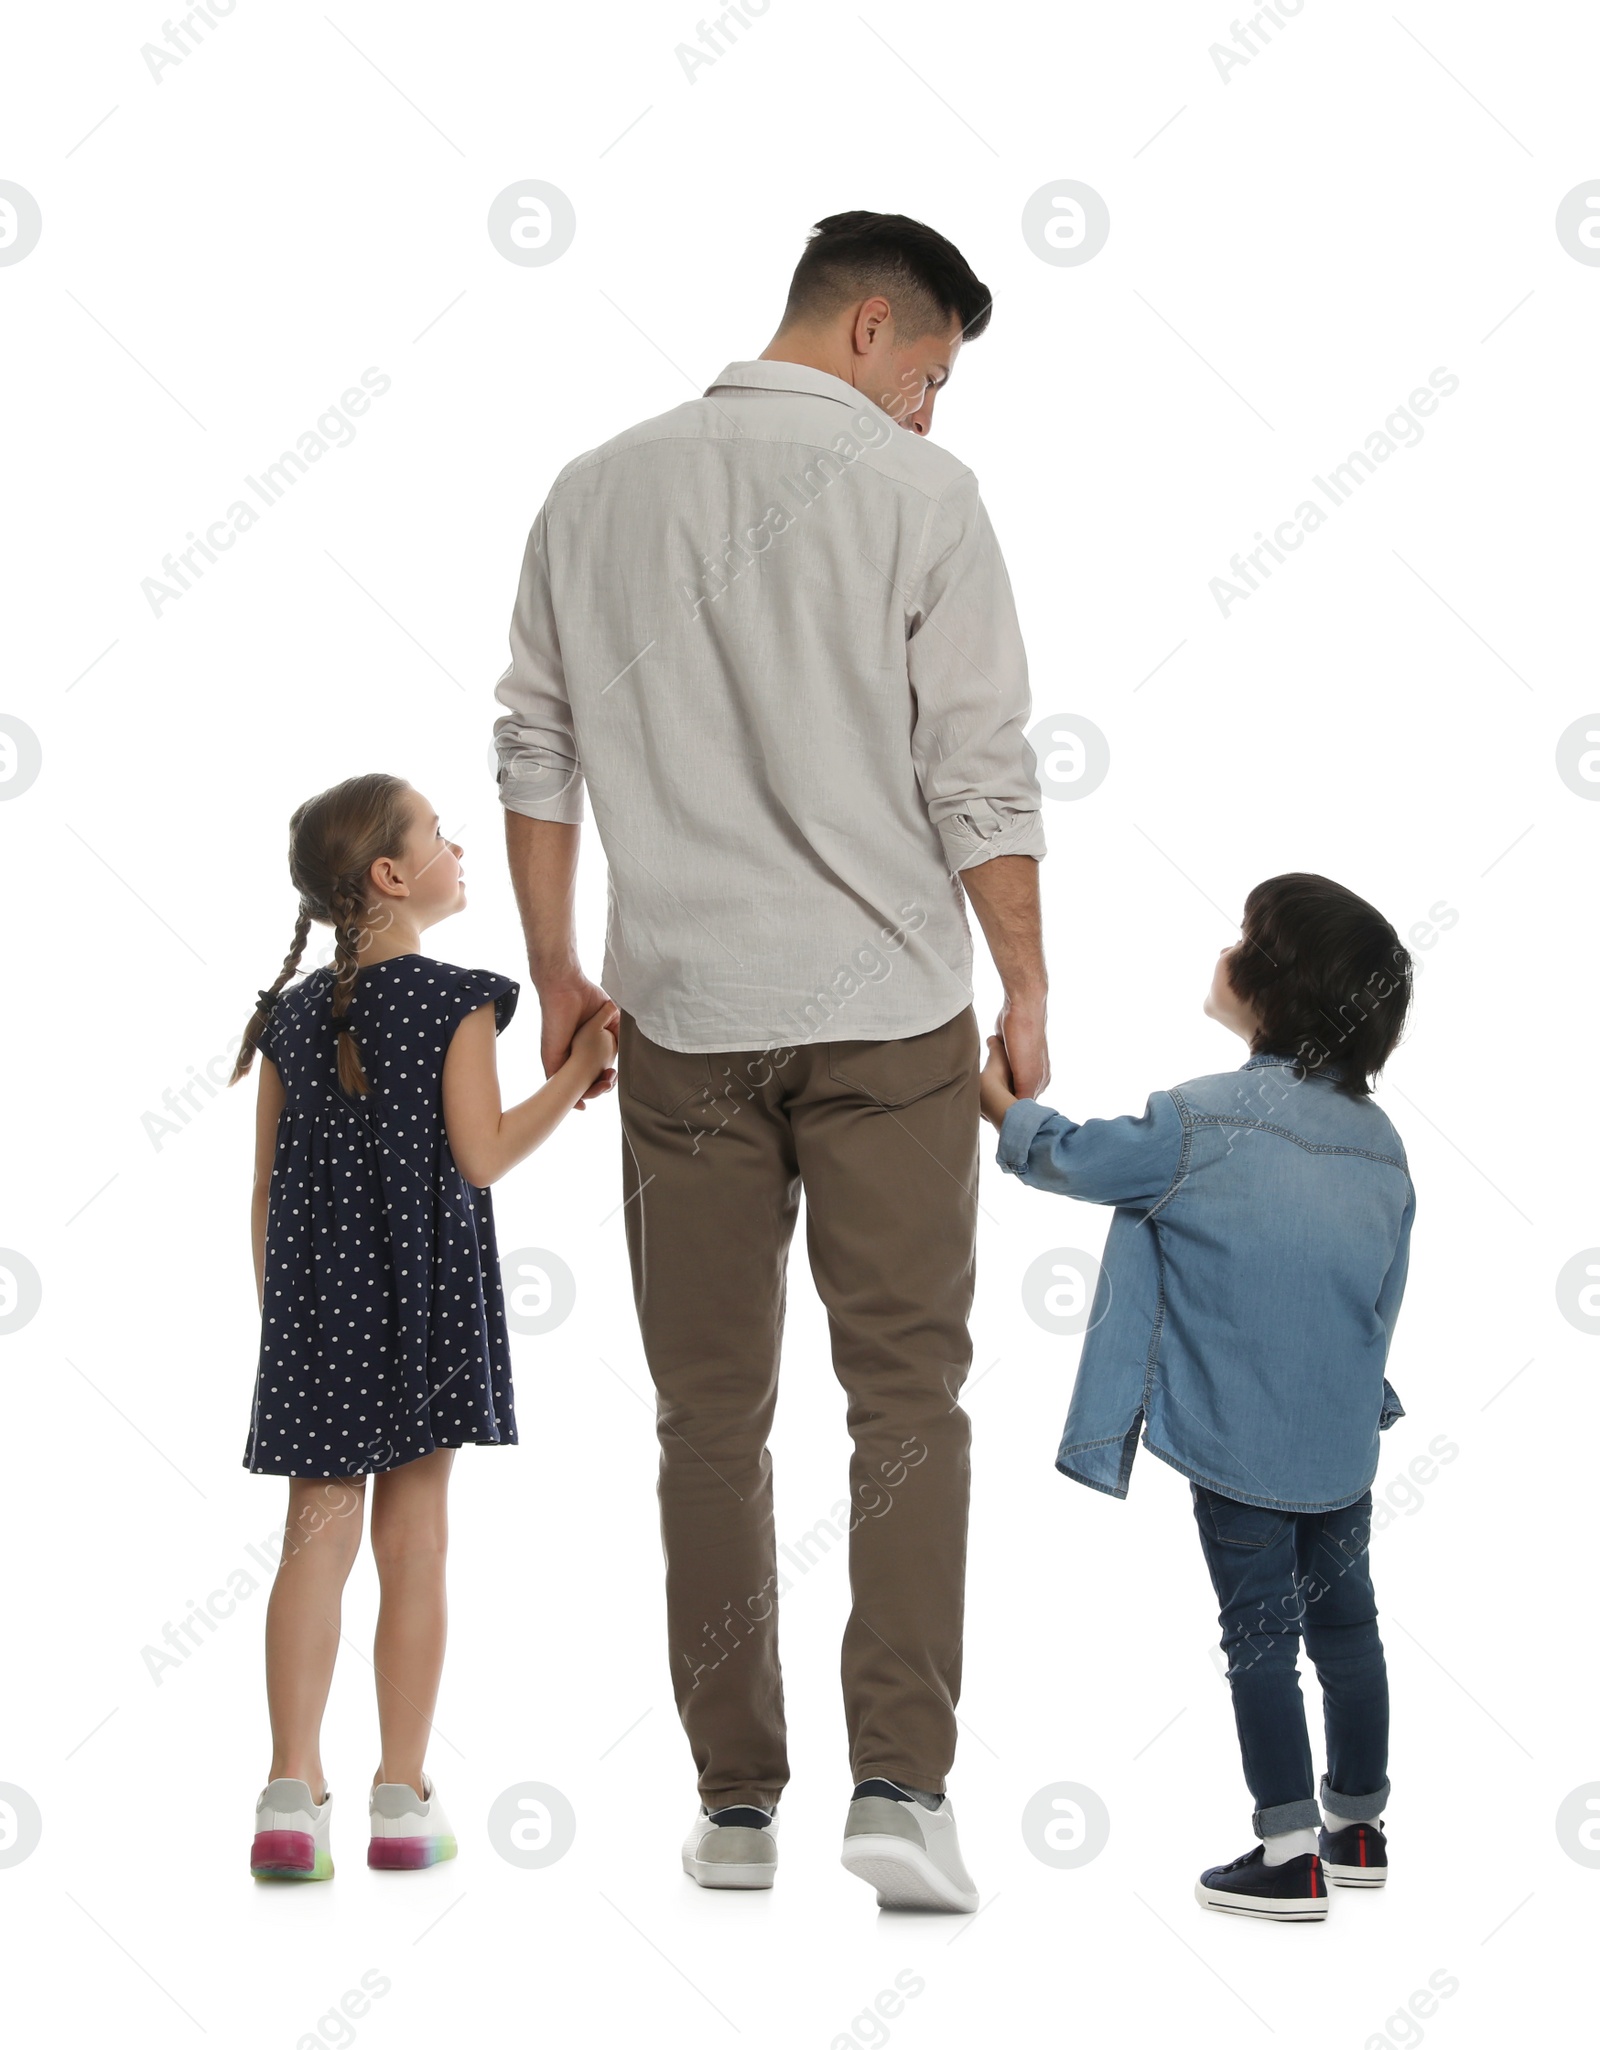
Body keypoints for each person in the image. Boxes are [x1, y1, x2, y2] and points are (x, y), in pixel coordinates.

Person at [492, 211, 1048, 1911]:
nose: (935, 414)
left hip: (677, 1027)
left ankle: (735, 1807)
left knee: (705, 1424)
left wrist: (561, 973)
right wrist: (1026, 986)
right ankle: (899, 1791)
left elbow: (535, 738)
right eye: (936, 375)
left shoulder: (594, 487)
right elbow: (979, 767)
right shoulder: (921, 499)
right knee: (908, 1403)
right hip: (889, 1016)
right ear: (873, 327)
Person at [979, 873, 1416, 1922]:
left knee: (1257, 1636)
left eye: (1244, 937)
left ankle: (1286, 1851)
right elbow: (1383, 1295)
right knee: (1348, 1631)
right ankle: (1357, 1824)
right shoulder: (1381, 1147)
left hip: (1234, 1439)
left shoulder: (1199, 1120)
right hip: (1336, 1440)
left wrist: (998, 1105)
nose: (1226, 949)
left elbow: (1078, 1160)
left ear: (1273, 987)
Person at [230, 772, 617, 1880]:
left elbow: (260, 1192)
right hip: (424, 1305)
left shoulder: (290, 1018)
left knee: (314, 1541)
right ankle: (401, 1797)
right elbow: (483, 1152)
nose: (460, 850)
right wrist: (586, 1067)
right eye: (442, 837)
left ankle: (288, 1793)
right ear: (392, 877)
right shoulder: (454, 998)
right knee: (416, 1542)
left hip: (311, 1315)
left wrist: (287, 1319)